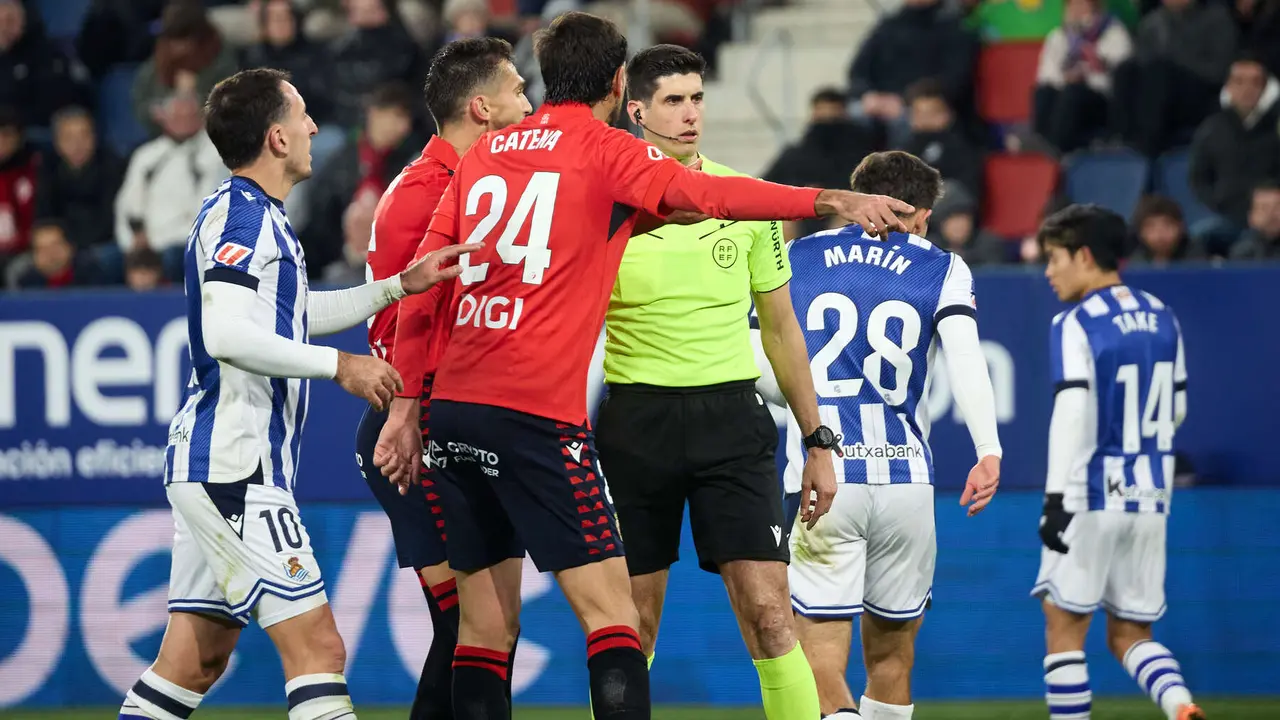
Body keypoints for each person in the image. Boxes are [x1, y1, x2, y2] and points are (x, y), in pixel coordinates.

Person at [374, 12, 913, 719]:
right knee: (616, 621)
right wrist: (830, 199)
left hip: (455, 409)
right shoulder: (603, 150)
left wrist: (407, 408)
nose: (690, 113)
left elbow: (421, 286)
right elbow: (711, 196)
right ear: (619, 84)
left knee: (481, 628)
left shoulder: (486, 154)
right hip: (541, 413)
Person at [116, 68, 474, 720]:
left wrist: (397, 286)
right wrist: (340, 366)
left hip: (217, 464)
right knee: (319, 649)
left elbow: (288, 314)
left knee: (194, 661)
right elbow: (227, 333)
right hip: (235, 469)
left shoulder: (250, 214)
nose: (313, 127)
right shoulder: (246, 218)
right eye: (302, 115)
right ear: (277, 138)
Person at [591, 44, 830, 720]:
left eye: (697, 97)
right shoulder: (604, 206)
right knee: (630, 629)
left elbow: (781, 330)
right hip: (636, 425)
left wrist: (817, 439)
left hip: (732, 424)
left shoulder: (743, 200)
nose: (691, 113)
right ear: (637, 111)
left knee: (771, 616)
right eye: (673, 100)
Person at [783, 151, 1003, 720]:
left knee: (819, 654)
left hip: (824, 477)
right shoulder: (942, 268)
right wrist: (988, 449)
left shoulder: (797, 256)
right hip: (907, 479)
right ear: (922, 214)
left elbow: (762, 366)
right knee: (893, 658)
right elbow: (967, 358)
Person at [355, 37, 531, 719]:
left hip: (459, 416)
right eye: (518, 91)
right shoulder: (431, 192)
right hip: (417, 420)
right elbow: (409, 318)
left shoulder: (466, 181)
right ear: (482, 107)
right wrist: (405, 414)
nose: (528, 105)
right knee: (469, 626)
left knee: (492, 630)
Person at [1033, 204, 1203, 720]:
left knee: (1064, 628)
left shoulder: (1075, 321)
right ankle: (1180, 705)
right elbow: (1177, 409)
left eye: (1055, 258)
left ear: (1084, 256)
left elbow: (1071, 413)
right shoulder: (1163, 314)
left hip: (1089, 494)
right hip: (1150, 495)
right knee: (1130, 633)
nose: (1049, 271)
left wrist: (1056, 499)